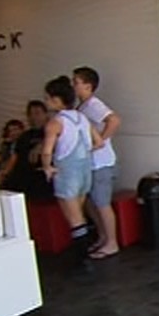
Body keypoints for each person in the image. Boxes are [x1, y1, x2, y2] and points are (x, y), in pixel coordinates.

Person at [41, 76, 103, 265]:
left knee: (74, 219)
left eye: (48, 98)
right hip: (84, 171)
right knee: (79, 214)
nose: (46, 101)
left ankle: (82, 259)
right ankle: (82, 254)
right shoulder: (82, 117)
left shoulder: (55, 123)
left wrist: (47, 167)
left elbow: (46, 151)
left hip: (67, 173)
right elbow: (99, 142)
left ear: (56, 100)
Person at [73, 66, 121, 259]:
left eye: (76, 82)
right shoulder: (82, 107)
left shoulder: (94, 105)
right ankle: (103, 236)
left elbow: (114, 120)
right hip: (91, 164)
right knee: (92, 203)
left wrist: (99, 141)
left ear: (88, 85)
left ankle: (112, 242)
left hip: (101, 163)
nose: (73, 86)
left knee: (102, 204)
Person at [0, 100, 54, 199]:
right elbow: (15, 156)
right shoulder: (24, 136)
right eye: (30, 114)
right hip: (23, 176)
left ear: (46, 114)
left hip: (42, 177)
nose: (34, 117)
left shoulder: (52, 133)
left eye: (37, 113)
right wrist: (5, 172)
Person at [0, 119, 25, 185]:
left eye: (15, 129)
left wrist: (4, 172)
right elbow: (2, 157)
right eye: (10, 131)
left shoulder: (23, 143)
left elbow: (14, 158)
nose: (13, 133)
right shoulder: (8, 144)